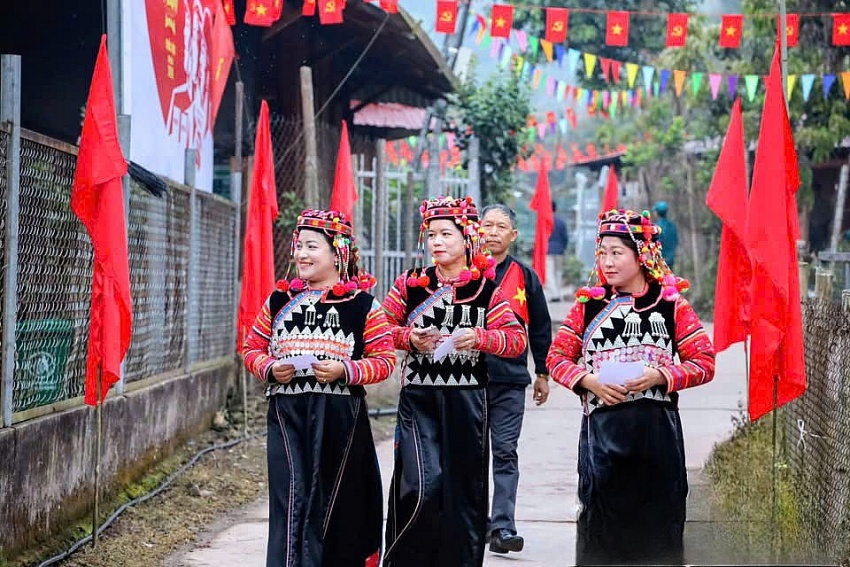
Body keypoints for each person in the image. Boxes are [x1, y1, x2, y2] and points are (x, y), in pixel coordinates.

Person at [546, 209, 715, 566]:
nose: (607, 262)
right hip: (602, 438)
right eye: (602, 253)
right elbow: (556, 358)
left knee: (659, 526)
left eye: (617, 253)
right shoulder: (587, 307)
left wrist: (661, 377)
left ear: (642, 255)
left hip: (658, 437)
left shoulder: (671, 306)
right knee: (602, 526)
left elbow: (704, 362)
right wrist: (587, 381)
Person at [242, 209, 396, 567]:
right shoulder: (278, 302)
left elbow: (385, 361)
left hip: (340, 420)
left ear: (337, 253)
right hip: (286, 416)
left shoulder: (362, 306)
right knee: (290, 496)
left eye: (312, 246)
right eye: (299, 246)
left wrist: (345, 369)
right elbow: (251, 348)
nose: (301, 254)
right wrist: (269, 368)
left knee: (331, 501)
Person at [381, 196, 528, 567]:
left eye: (446, 234)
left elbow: (516, 340)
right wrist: (409, 339)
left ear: (467, 240)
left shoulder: (485, 290)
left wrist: (480, 338)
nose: (437, 242)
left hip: (468, 403)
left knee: (464, 492)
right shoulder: (410, 285)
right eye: (432, 234)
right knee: (420, 485)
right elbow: (380, 331)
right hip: (419, 401)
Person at [479, 204, 552, 555]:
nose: (492, 232)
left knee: (505, 452)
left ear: (513, 235)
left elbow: (540, 326)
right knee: (471, 454)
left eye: (500, 227)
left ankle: (503, 527)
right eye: (487, 225)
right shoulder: (463, 273)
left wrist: (542, 372)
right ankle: (472, 522)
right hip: (467, 381)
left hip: (509, 380)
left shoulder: (524, 276)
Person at [546, 201, 570, 301]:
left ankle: (554, 295)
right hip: (560, 251)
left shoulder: (546, 222)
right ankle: (558, 293)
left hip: (548, 250)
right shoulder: (561, 222)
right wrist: (563, 248)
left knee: (550, 273)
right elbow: (565, 238)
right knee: (558, 273)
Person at [654, 200, 679, 269]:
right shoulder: (672, 226)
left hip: (660, 261)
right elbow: (676, 241)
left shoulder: (656, 228)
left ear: (657, 213)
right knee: (670, 279)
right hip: (671, 260)